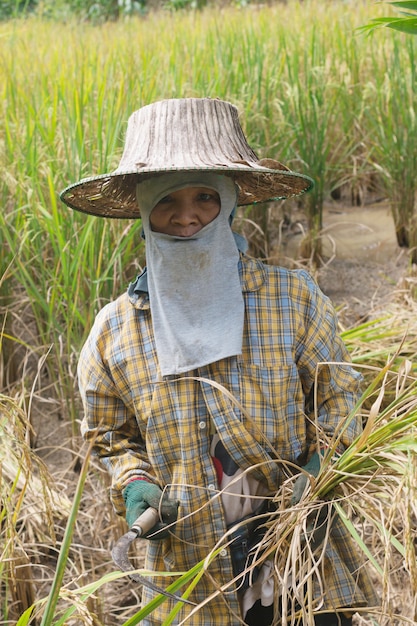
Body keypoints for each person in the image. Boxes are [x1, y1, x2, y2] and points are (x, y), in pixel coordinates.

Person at [60, 97, 379, 625]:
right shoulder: (115, 332)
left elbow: (339, 397)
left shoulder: (290, 298)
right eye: (167, 200)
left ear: (230, 201)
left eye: (205, 196)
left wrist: (318, 474)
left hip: (299, 552)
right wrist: (136, 485)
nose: (187, 216)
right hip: (191, 572)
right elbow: (111, 437)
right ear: (142, 208)